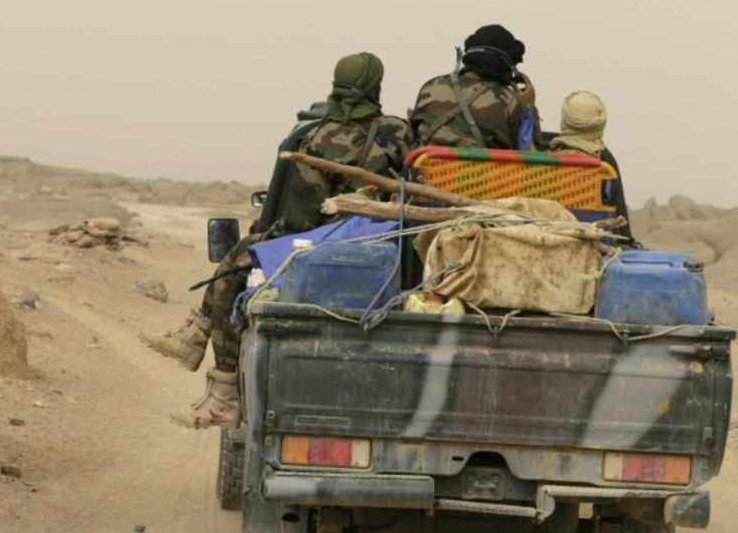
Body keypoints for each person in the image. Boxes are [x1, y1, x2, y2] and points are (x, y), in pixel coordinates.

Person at [142, 52, 410, 430]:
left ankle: (220, 389)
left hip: (329, 244)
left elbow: (301, 219)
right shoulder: (400, 133)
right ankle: (192, 341)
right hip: (388, 244)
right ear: (375, 86)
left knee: (235, 261)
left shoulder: (317, 138)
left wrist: (268, 236)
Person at [409, 24, 540, 150]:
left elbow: (411, 141)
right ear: (505, 65)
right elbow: (531, 160)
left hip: (428, 171)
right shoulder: (510, 101)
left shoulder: (431, 88)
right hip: (483, 173)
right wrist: (528, 109)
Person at [548, 90, 632, 239]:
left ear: (565, 120)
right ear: (600, 124)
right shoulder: (604, 165)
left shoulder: (545, 159)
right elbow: (620, 222)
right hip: (596, 242)